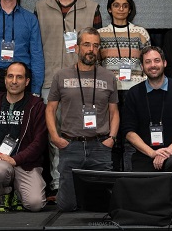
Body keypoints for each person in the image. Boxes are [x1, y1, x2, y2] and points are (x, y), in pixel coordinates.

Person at [34, 0, 102, 201]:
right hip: (50, 81)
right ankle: (57, 185)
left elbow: (98, 48)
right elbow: (34, 46)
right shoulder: (40, 7)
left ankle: (82, 185)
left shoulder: (92, 7)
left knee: (83, 134)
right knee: (55, 137)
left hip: (83, 82)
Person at [45, 28, 118, 211]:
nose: (91, 49)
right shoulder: (61, 76)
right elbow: (50, 109)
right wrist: (54, 137)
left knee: (103, 206)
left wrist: (112, 138)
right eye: (86, 44)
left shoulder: (109, 77)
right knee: (67, 206)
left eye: (95, 45)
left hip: (100, 146)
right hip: (71, 146)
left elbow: (114, 112)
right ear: (77, 47)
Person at [0, 62, 47, 213]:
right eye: (10, 76)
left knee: (35, 204)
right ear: (5, 79)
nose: (14, 81)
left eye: (19, 77)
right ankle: (4, 193)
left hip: (25, 164)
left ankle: (17, 193)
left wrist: (16, 159)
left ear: (27, 82)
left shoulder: (36, 106)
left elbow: (39, 142)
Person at [121, 46, 172, 172]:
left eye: (157, 60)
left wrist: (169, 151)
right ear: (142, 67)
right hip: (145, 153)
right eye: (148, 62)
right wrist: (153, 153)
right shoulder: (133, 94)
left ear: (164, 63)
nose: (153, 65)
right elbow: (128, 131)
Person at [97, 0, 151, 171]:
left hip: (135, 90)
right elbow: (96, 65)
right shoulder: (100, 34)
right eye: (116, 5)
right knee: (111, 136)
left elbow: (148, 62)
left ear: (130, 9)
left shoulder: (140, 33)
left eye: (125, 5)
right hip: (109, 92)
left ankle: (130, 175)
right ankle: (113, 177)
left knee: (131, 135)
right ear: (109, 9)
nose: (121, 9)